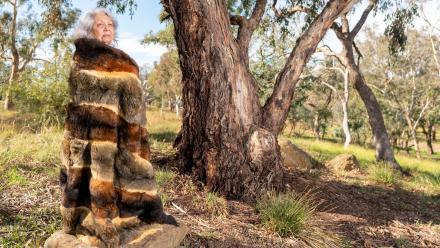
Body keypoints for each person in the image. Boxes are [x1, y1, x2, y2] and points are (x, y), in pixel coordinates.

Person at [59, 8, 175, 247]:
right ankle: (94, 221)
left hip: (120, 133)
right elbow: (77, 100)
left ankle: (123, 218)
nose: (107, 28)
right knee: (87, 177)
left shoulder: (123, 61)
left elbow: (133, 105)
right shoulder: (80, 58)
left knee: (125, 175)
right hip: (86, 135)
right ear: (89, 29)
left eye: (110, 25)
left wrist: (133, 132)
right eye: (100, 25)